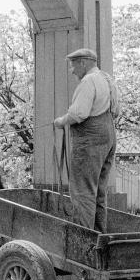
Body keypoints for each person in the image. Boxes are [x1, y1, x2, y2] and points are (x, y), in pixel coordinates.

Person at [53, 48, 119, 232]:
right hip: (108, 137)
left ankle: (84, 245)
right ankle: (99, 237)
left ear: (83, 62)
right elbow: (116, 111)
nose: (72, 70)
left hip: (90, 141)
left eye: (73, 65)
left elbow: (78, 114)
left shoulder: (89, 81)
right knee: (98, 192)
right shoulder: (107, 79)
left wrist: (61, 121)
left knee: (82, 193)